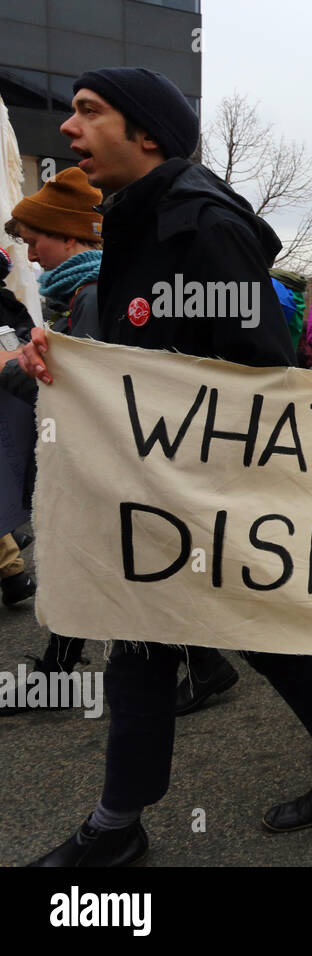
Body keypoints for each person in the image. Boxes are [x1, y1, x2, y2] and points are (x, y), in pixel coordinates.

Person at [23, 67, 312, 865]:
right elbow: (139, 351)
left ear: (145, 132)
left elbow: (259, 365)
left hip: (193, 486)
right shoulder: (138, 220)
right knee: (233, 625)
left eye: (88, 113)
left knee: (145, 639)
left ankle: (116, 828)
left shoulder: (200, 225)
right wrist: (70, 361)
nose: (69, 132)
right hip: (159, 482)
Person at [1, 167, 104, 682]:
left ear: (69, 236)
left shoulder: (89, 294)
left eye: (36, 240)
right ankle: (58, 670)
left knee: (88, 557)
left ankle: (57, 674)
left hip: (95, 460)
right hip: (96, 459)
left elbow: (72, 389)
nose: (31, 254)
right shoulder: (84, 291)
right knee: (91, 559)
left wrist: (8, 369)